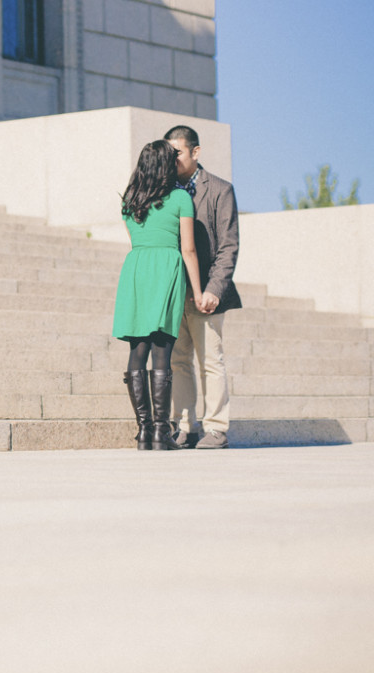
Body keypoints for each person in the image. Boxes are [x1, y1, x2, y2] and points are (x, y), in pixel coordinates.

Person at [113, 140, 205, 450]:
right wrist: (198, 291)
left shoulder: (129, 200)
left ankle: (143, 431)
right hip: (167, 269)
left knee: (137, 350)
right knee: (162, 350)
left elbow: (136, 240)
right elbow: (189, 249)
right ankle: (161, 433)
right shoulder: (181, 198)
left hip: (137, 270)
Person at [163, 126, 242, 449]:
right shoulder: (164, 190)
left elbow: (229, 246)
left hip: (208, 294)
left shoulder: (221, 190)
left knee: (211, 360)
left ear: (195, 152)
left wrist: (213, 289)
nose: (172, 160)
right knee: (177, 361)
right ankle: (187, 426)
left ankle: (216, 428)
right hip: (173, 293)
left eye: (177, 153)